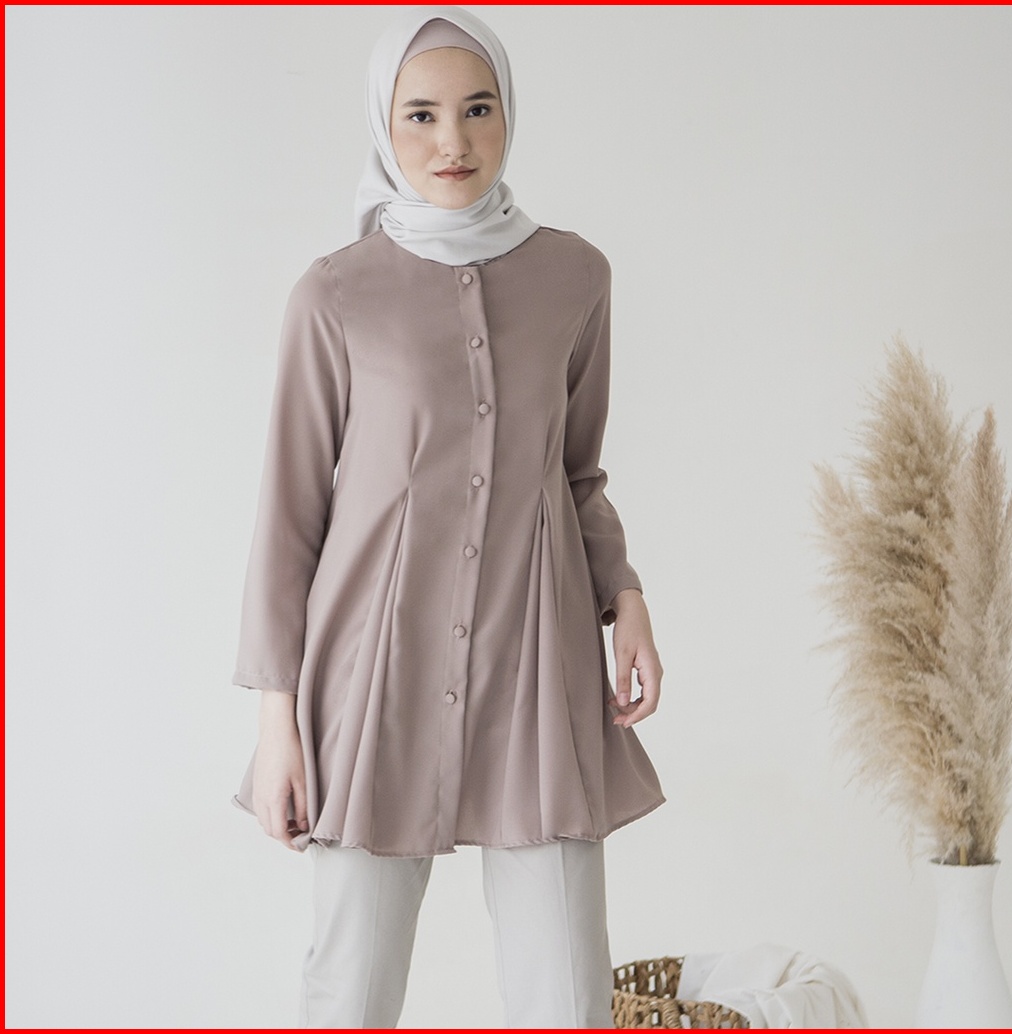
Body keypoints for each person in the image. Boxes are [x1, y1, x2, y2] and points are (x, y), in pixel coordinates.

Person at [230, 5, 666, 1027]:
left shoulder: (576, 277)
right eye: (419, 115)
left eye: (477, 109)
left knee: (568, 993)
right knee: (350, 992)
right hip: (371, 674)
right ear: (383, 126)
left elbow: (575, 471)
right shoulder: (334, 296)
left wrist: (626, 596)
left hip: (537, 658)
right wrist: (276, 724)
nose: (452, 141)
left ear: (508, 111)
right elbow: (289, 516)